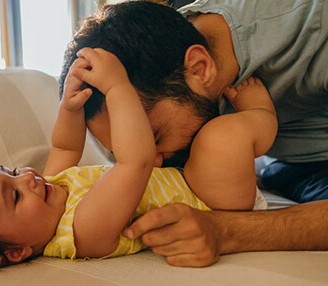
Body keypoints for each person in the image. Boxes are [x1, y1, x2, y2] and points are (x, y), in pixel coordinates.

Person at [0, 47, 276, 270]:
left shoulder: (52, 189)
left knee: (203, 136)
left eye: (14, 172)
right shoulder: (82, 232)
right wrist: (117, 87)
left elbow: (65, 148)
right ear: (18, 250)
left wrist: (68, 105)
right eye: (15, 195)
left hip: (192, 179)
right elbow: (133, 162)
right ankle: (261, 112)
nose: (28, 179)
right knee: (221, 137)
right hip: (213, 203)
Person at [58, 0, 328, 267]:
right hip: (288, 169)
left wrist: (228, 230)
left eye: (155, 137)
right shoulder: (139, 83)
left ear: (199, 68)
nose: (152, 163)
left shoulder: (314, 31)